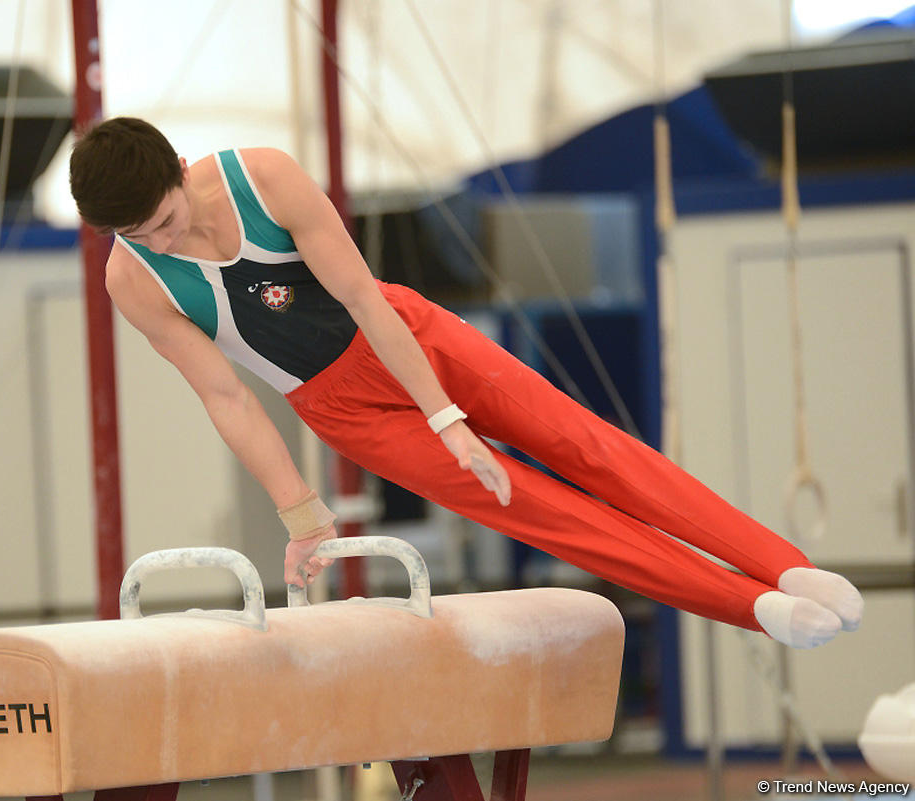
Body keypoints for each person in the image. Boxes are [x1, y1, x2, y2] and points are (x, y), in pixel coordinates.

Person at [69, 117, 863, 649]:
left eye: (166, 219)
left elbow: (361, 298)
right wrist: (302, 515)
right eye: (140, 235)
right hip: (343, 409)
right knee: (542, 510)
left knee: (589, 448)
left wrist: (446, 413)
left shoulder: (264, 178)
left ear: (180, 170)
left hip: (411, 338)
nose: (163, 240)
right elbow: (227, 396)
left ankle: (783, 563)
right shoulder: (134, 280)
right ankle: (754, 607)